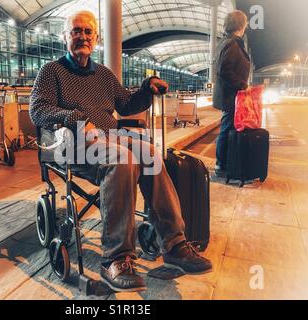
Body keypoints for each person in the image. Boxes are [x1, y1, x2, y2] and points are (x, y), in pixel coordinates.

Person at [29, 10, 212, 292]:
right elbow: (37, 110)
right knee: (123, 158)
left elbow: (126, 104)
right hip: (72, 143)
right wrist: (75, 118)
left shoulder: (103, 74)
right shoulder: (51, 72)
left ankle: (174, 244)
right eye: (76, 31)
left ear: (96, 38)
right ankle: (116, 257)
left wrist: (146, 89)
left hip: (110, 138)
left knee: (149, 153)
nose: (82, 37)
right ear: (65, 37)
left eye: (88, 32)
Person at [213, 10, 251, 176]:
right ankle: (221, 165)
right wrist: (242, 85)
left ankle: (225, 162)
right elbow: (224, 71)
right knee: (227, 129)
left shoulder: (227, 42)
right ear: (241, 26)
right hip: (230, 96)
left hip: (230, 95)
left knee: (228, 128)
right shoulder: (231, 43)